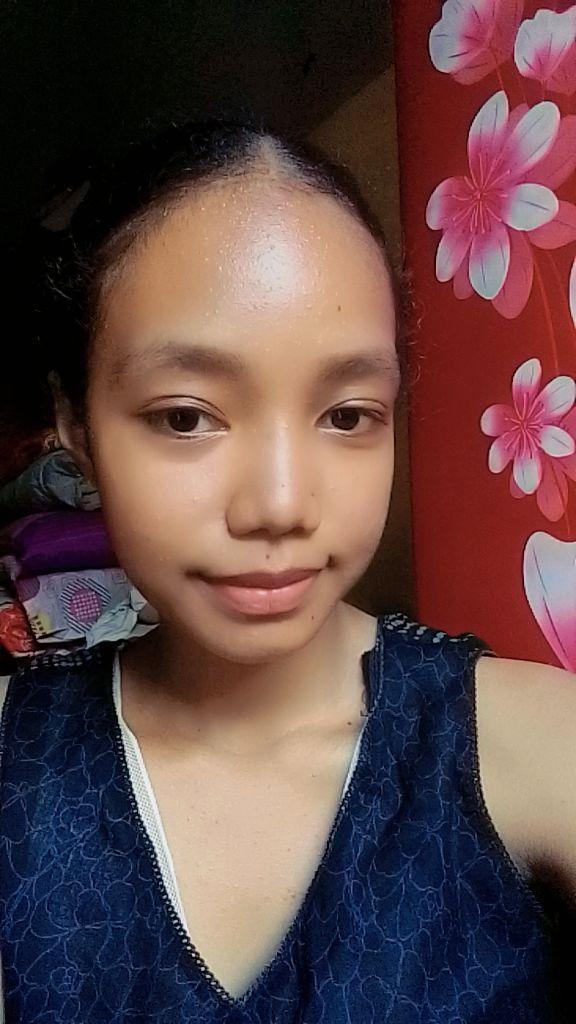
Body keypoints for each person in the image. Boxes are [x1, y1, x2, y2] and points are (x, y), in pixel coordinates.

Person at [0, 119, 574, 1023]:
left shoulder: (536, 744)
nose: (279, 504)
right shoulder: (16, 762)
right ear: (74, 423)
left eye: (347, 416)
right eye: (186, 417)